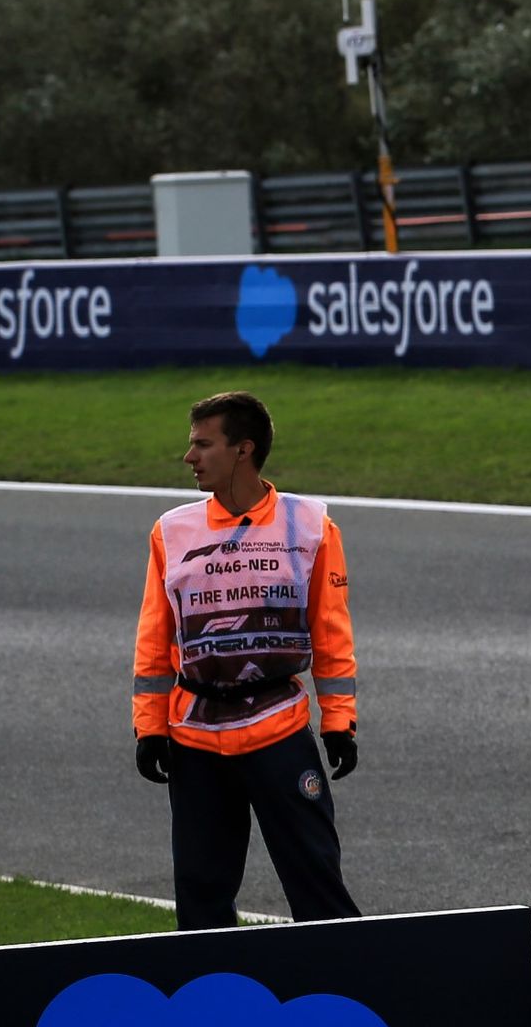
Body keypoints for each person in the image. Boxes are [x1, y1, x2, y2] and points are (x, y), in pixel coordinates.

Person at [131, 391, 363, 930]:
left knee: (317, 884)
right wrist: (148, 728)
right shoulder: (171, 530)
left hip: (278, 730)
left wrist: (339, 721)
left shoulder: (310, 525)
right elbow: (153, 638)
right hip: (194, 737)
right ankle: (211, 1007)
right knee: (201, 898)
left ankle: (348, 997)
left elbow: (331, 633)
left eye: (202, 444)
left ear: (243, 450)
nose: (189, 457)